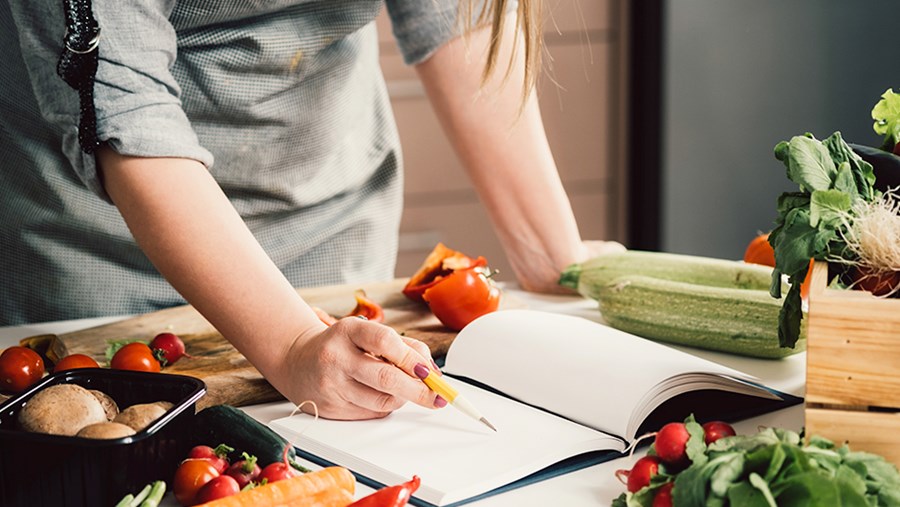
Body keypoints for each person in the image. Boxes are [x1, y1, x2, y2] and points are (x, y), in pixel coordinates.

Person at [1, 0, 623, 419]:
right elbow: (124, 105)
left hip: (333, 233)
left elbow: (461, 15)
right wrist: (296, 343)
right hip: (96, 253)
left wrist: (550, 251)